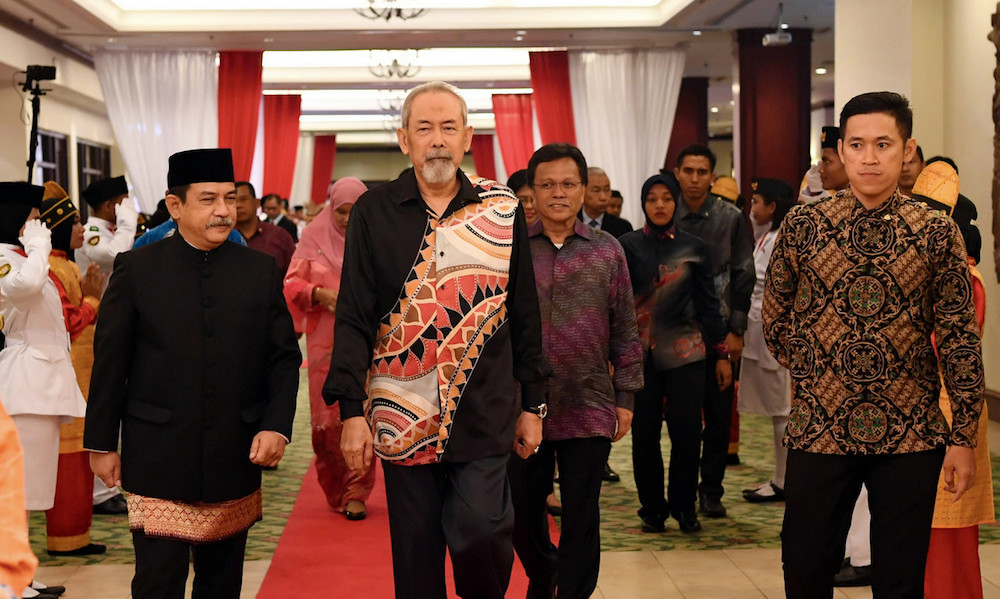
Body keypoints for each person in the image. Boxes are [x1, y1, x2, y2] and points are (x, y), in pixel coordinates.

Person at [327, 81, 550, 599]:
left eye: (449, 128)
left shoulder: (501, 208)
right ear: (404, 139)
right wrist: (351, 411)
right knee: (416, 554)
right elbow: (354, 316)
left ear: (467, 137)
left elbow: (524, 311)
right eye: (424, 128)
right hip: (401, 413)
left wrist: (534, 404)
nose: (437, 140)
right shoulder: (373, 211)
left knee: (481, 533)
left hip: (485, 408)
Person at [763, 91, 983, 598]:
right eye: (857, 144)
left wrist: (964, 436)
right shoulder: (805, 224)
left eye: (883, 144)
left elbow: (958, 337)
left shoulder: (936, 231)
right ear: (841, 149)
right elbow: (775, 316)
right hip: (820, 429)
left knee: (900, 579)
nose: (869, 157)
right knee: (805, 567)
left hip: (911, 433)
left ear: (907, 150)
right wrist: (823, 373)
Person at [84, 148, 301, 599]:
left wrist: (276, 425)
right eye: (208, 199)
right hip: (157, 454)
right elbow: (111, 362)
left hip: (234, 451)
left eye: (230, 198)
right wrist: (101, 443)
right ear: (175, 205)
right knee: (158, 581)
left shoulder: (259, 270)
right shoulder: (137, 269)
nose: (224, 211)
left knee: (221, 583)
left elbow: (282, 358)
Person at [508, 143, 643, 599]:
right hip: (523, 405)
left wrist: (626, 396)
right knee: (522, 510)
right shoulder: (512, 251)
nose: (558, 193)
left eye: (568, 184)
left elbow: (625, 328)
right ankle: (544, 570)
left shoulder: (608, 251)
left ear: (584, 189)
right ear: (532, 191)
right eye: (547, 185)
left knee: (582, 514)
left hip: (588, 402)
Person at [619, 172, 730, 535]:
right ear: (643, 204)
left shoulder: (694, 247)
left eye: (666, 198)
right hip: (641, 355)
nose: (660, 205)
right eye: (652, 199)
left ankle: (684, 507)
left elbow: (709, 305)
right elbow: (616, 305)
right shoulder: (626, 247)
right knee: (644, 433)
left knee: (687, 432)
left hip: (686, 353)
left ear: (676, 202)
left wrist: (721, 353)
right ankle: (652, 509)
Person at [912, 164, 994, 599]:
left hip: (950, 411)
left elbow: (941, 349)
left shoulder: (967, 280)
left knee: (947, 533)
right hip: (928, 412)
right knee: (922, 532)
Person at [0, 181, 83, 599]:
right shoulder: (5, 259)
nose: (41, 227)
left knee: (29, 491)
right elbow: (25, 288)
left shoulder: (23, 258)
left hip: (42, 386)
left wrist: (33, 249)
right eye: (34, 219)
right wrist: (37, 248)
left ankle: (20, 574)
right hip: (25, 387)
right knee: (13, 494)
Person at [283, 177, 376, 520]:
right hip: (325, 340)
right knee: (328, 417)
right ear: (331, 208)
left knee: (364, 413)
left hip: (370, 339)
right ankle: (336, 486)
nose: (349, 219)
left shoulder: (377, 236)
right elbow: (291, 283)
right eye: (342, 211)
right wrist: (319, 294)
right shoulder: (313, 237)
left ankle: (356, 491)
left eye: (356, 210)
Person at [673, 143, 754, 518]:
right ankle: (683, 491)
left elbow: (743, 274)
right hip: (675, 336)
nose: (694, 179)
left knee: (719, 417)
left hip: (719, 332)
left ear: (712, 176)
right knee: (683, 420)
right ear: (677, 173)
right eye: (688, 171)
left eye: (701, 172)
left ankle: (712, 491)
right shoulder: (665, 211)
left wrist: (736, 330)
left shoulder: (731, 217)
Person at [37, 183, 108, 557]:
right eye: (75, 222)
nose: (82, 229)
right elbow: (67, 323)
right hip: (66, 375)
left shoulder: (64, 264)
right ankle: (64, 537)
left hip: (80, 373)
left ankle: (76, 535)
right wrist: (93, 299)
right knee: (67, 459)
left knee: (80, 455)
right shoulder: (51, 268)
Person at [737, 177, 794, 504]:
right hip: (758, 327)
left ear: (772, 206)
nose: (752, 208)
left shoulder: (779, 238)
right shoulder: (766, 236)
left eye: (756, 202)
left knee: (782, 409)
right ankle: (780, 477)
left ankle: (784, 480)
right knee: (776, 409)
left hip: (774, 330)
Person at [75, 176, 137, 295]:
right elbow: (115, 255)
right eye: (123, 204)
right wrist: (127, 226)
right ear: (108, 206)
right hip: (98, 303)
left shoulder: (112, 230)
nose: (128, 209)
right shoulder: (88, 234)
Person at [234, 181, 295, 275]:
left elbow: (294, 273)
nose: (238, 205)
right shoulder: (226, 237)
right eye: (232, 201)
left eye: (243, 199)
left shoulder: (279, 235)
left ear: (257, 203)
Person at [578, 167, 632, 238]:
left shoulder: (623, 227)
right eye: (596, 190)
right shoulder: (568, 223)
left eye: (607, 190)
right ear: (582, 191)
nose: (603, 197)